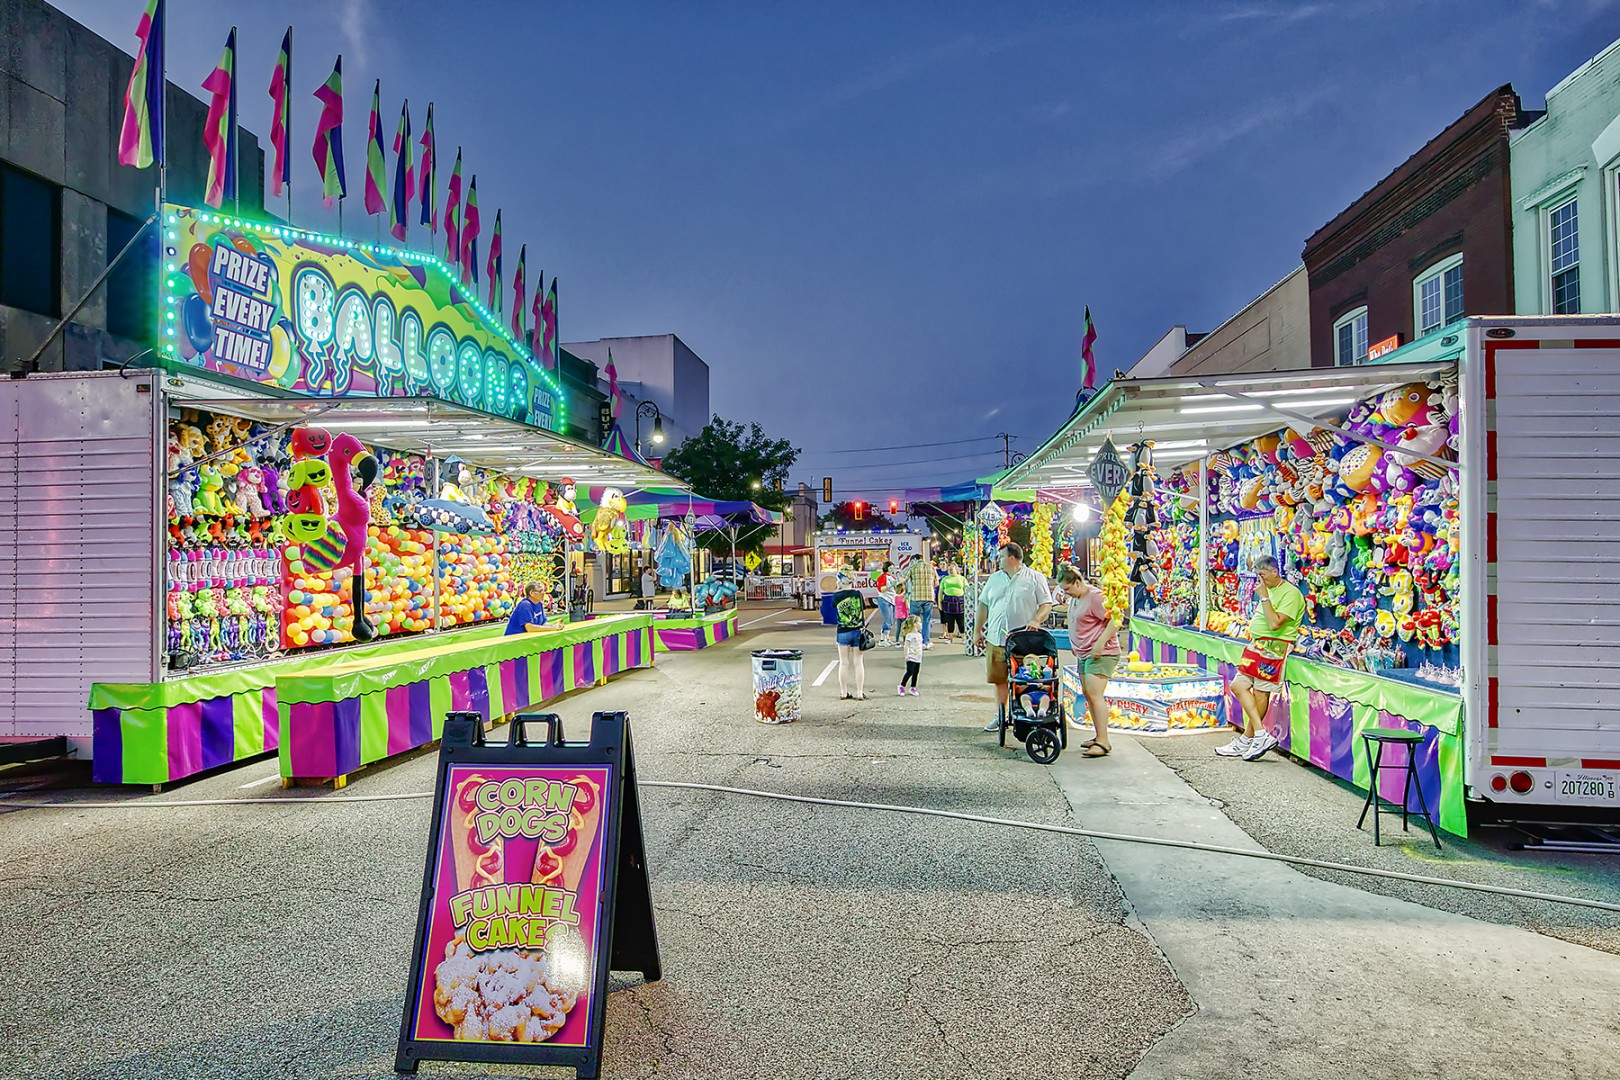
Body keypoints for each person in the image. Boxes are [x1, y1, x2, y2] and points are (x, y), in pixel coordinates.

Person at [1218, 555, 1306, 761]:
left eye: (1263, 575)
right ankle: (1259, 734)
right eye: (1258, 575)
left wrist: (1265, 597)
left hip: (1274, 647)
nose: (1260, 579)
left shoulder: (1291, 594)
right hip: (1256, 645)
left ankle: (1249, 738)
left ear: (1275, 572)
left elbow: (1275, 623)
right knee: (1238, 686)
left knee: (1261, 693)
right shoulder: (1267, 589)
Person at [975, 542, 1053, 731]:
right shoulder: (994, 579)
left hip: (1024, 641)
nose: (998, 560)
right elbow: (984, 605)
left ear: (1012, 558)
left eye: (1001, 556)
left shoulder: (1035, 578)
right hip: (996, 638)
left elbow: (1046, 604)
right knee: (999, 679)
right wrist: (977, 630)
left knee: (1025, 679)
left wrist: (1036, 620)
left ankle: (1027, 713)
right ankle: (1000, 715)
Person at [1057, 564, 1121, 758]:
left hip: (1101, 653)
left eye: (1068, 589)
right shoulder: (1076, 599)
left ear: (1077, 582)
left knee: (1095, 694)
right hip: (1085, 653)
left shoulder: (1094, 597)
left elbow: (1115, 620)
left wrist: (1100, 644)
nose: (1067, 594)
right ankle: (1098, 735)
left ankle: (1104, 741)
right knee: (1088, 693)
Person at [832, 585, 868, 700]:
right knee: (858, 662)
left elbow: (835, 609)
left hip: (842, 631)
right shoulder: (857, 594)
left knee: (843, 663)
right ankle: (859, 692)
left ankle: (843, 692)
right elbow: (863, 610)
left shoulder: (837, 596)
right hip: (858, 631)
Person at [907, 553, 939, 649]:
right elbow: (936, 583)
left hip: (916, 597)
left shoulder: (913, 568)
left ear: (915, 560)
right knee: (927, 620)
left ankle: (913, 640)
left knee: (913, 620)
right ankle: (926, 642)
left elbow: (904, 579)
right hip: (929, 597)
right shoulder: (931, 567)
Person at [938, 563, 968, 643]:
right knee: (950, 621)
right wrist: (939, 603)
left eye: (952, 569)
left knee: (961, 621)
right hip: (948, 601)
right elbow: (940, 592)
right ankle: (950, 638)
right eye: (949, 570)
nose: (950, 571)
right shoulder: (945, 579)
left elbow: (967, 590)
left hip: (959, 601)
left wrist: (967, 602)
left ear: (956, 569)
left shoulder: (962, 578)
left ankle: (963, 638)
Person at [897, 615, 924, 696]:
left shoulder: (919, 635)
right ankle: (902, 685)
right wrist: (906, 655)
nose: (921, 624)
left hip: (918, 657)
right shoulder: (910, 635)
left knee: (916, 672)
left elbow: (919, 644)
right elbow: (906, 646)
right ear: (915, 624)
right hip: (911, 656)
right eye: (919, 622)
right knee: (910, 672)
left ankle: (913, 687)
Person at [874, 561, 898, 646]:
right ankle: (882, 639)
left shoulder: (892, 577)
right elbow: (881, 589)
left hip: (892, 600)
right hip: (884, 599)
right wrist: (890, 585)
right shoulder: (882, 577)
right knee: (887, 620)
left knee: (891, 620)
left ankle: (887, 638)